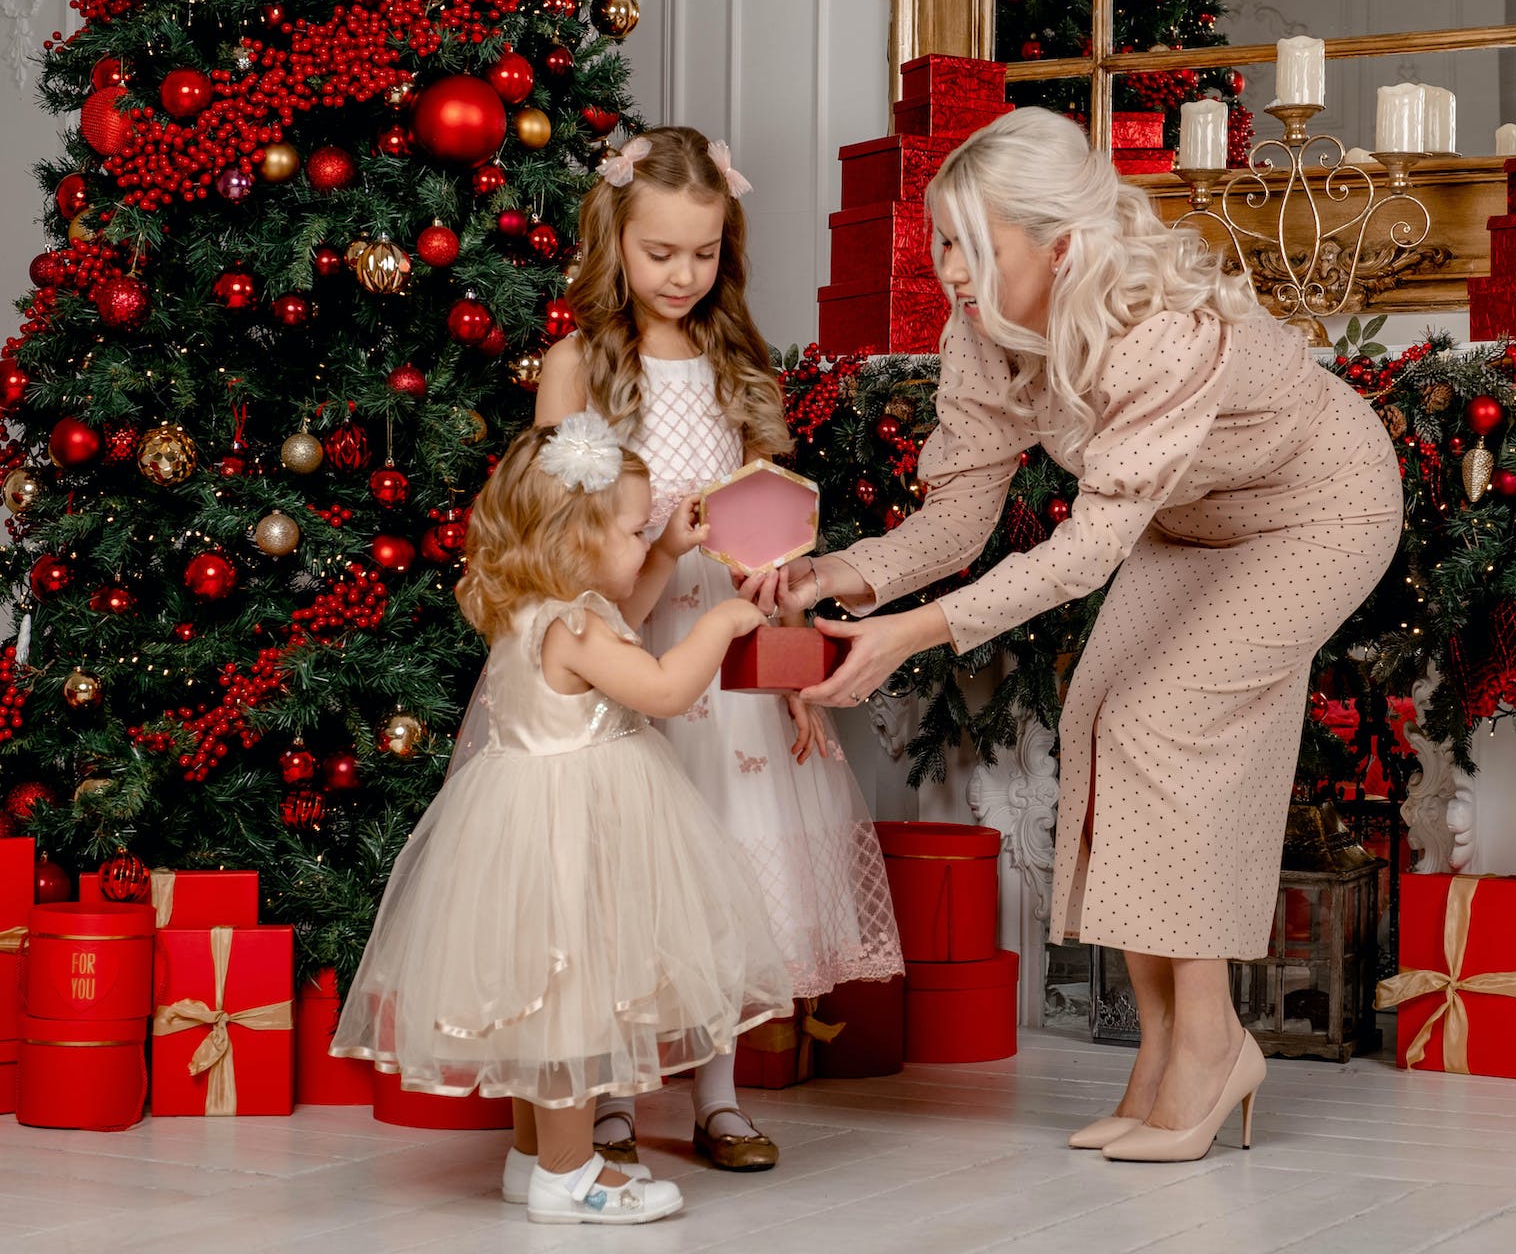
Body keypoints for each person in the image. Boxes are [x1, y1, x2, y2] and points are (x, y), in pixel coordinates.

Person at [747, 108, 1402, 1163]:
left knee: (1161, 719)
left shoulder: (1159, 330)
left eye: (973, 244)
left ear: (1058, 241)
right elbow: (960, 516)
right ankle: (1160, 1055)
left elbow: (1087, 552)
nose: (950, 270)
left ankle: (1214, 1041)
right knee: (1103, 719)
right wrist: (841, 574)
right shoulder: (986, 333)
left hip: (1320, 509)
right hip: (1185, 523)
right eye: (943, 243)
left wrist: (916, 630)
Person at [533, 126, 904, 1171]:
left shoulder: (738, 369)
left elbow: (776, 539)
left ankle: (719, 1093)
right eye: (661, 254)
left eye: (702, 254)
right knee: (618, 869)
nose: (682, 275)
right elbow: (560, 537)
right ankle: (607, 1099)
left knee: (732, 861)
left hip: (731, 652)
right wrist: (656, 539)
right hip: (627, 641)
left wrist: (788, 665)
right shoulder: (576, 369)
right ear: (615, 242)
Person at [331, 413, 792, 1223]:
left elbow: (627, 604)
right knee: (573, 1007)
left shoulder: (542, 610)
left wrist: (663, 554)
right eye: (629, 528)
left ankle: (532, 1159)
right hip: (573, 831)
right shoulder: (574, 625)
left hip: (531, 823)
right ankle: (570, 1175)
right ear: (573, 538)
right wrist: (720, 623)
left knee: (536, 1006)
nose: (640, 539)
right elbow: (662, 688)